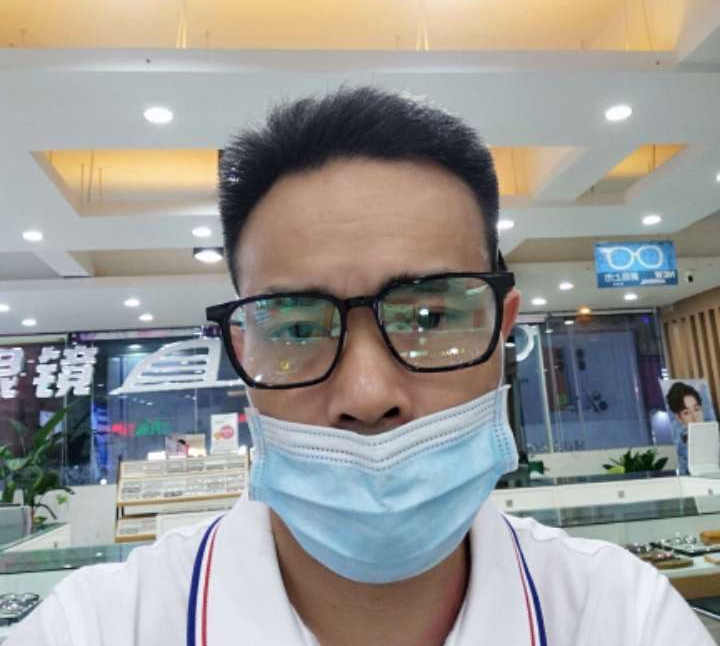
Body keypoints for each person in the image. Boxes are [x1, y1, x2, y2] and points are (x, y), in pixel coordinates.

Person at [9, 87, 713, 645]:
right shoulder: (98, 626)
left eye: (429, 318)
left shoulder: (623, 617)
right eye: (295, 327)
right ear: (242, 351)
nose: (369, 394)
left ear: (502, 332)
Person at [666, 381, 706, 475]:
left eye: (696, 409)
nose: (694, 417)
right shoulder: (681, 449)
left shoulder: (714, 437)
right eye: (686, 413)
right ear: (679, 418)